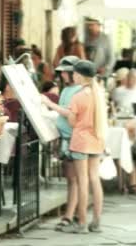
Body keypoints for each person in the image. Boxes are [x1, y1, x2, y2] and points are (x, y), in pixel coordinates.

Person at [41, 60, 106, 233]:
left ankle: (82, 222)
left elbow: (72, 120)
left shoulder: (78, 96)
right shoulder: (98, 93)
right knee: (95, 180)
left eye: (75, 73)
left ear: (80, 75)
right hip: (96, 140)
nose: (73, 76)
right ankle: (97, 221)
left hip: (80, 141)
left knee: (82, 181)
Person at [44, 56, 82, 231]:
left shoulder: (78, 90)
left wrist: (49, 103)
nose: (63, 75)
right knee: (70, 179)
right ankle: (72, 213)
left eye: (66, 72)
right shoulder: (66, 90)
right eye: (62, 72)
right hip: (66, 139)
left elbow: (69, 113)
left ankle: (70, 215)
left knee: (74, 179)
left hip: (74, 139)